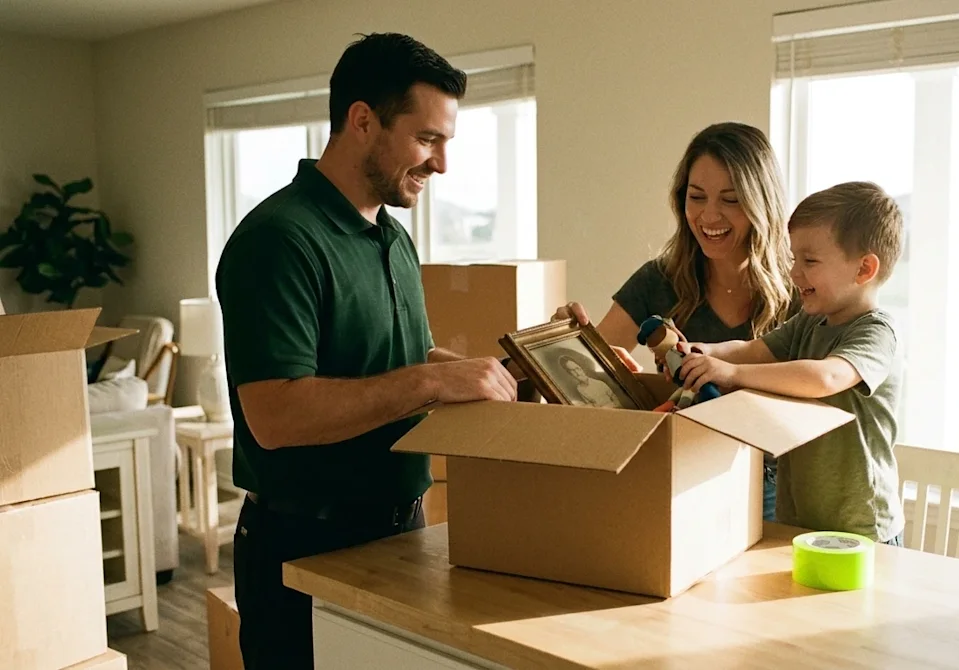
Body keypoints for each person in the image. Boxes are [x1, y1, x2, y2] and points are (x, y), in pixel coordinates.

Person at [214, 33, 517, 670]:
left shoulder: (392, 235)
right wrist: (433, 385)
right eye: (427, 139)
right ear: (362, 121)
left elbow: (398, 356)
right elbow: (276, 416)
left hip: (402, 529)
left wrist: (487, 375)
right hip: (304, 542)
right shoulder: (278, 241)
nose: (441, 164)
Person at [556, 121, 798, 519]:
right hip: (683, 482)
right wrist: (566, 339)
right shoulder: (659, 280)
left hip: (776, 487)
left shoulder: (799, 290)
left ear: (761, 203)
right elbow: (590, 369)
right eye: (696, 196)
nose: (709, 215)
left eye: (731, 200)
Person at [675, 181, 906, 544]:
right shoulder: (810, 322)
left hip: (860, 528)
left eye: (809, 261)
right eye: (794, 258)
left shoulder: (877, 333)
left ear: (864, 269)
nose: (795, 272)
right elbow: (753, 350)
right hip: (799, 520)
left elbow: (826, 377)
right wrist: (704, 351)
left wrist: (733, 374)